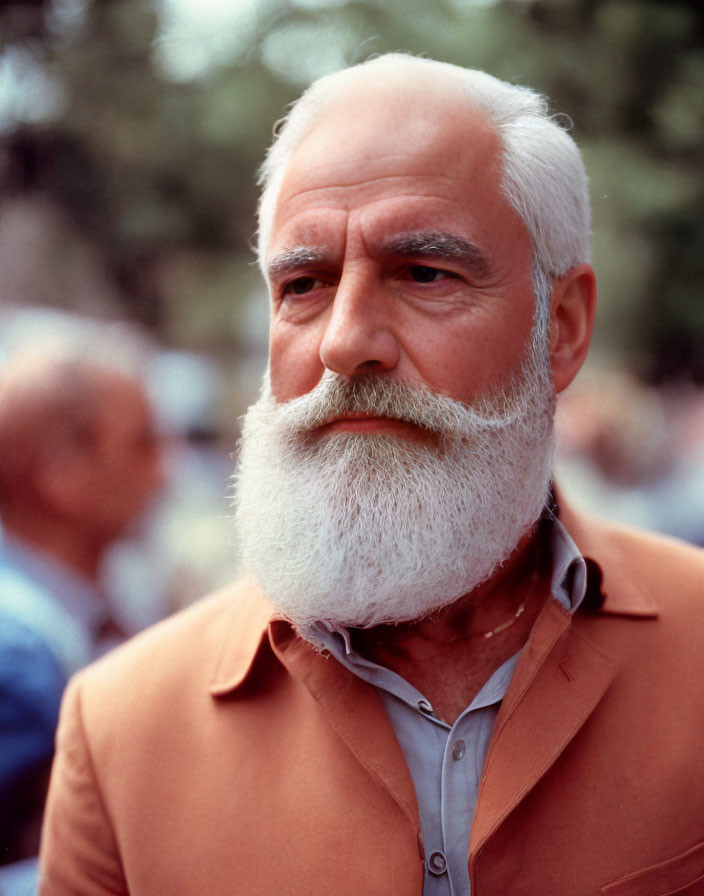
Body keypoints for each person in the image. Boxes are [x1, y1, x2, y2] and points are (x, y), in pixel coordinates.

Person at [39, 54, 704, 895]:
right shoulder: (118, 730)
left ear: (562, 328)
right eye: (304, 284)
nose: (344, 342)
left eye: (426, 273)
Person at [0, 338, 164, 875]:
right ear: (62, 473)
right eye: (144, 442)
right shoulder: (17, 657)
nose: (167, 469)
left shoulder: (94, 607)